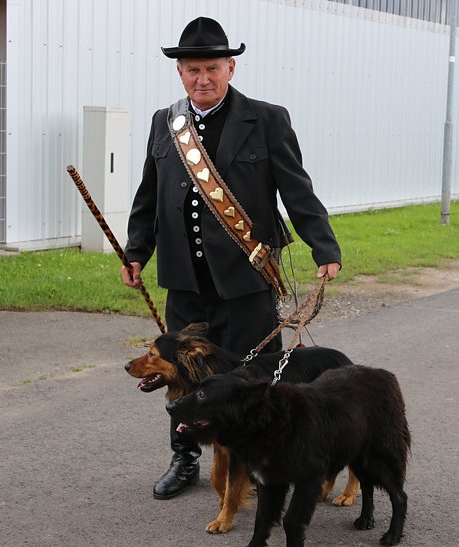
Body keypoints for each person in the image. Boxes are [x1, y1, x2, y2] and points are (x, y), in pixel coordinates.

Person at [121, 16, 342, 500]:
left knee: (258, 377)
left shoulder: (266, 119)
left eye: (212, 68)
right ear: (180, 72)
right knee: (182, 377)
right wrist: (137, 251)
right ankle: (184, 459)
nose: (202, 78)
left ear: (231, 68)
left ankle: (269, 461)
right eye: (193, 69)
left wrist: (323, 245)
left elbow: (296, 190)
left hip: (246, 280)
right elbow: (149, 194)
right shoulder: (167, 121)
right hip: (185, 281)